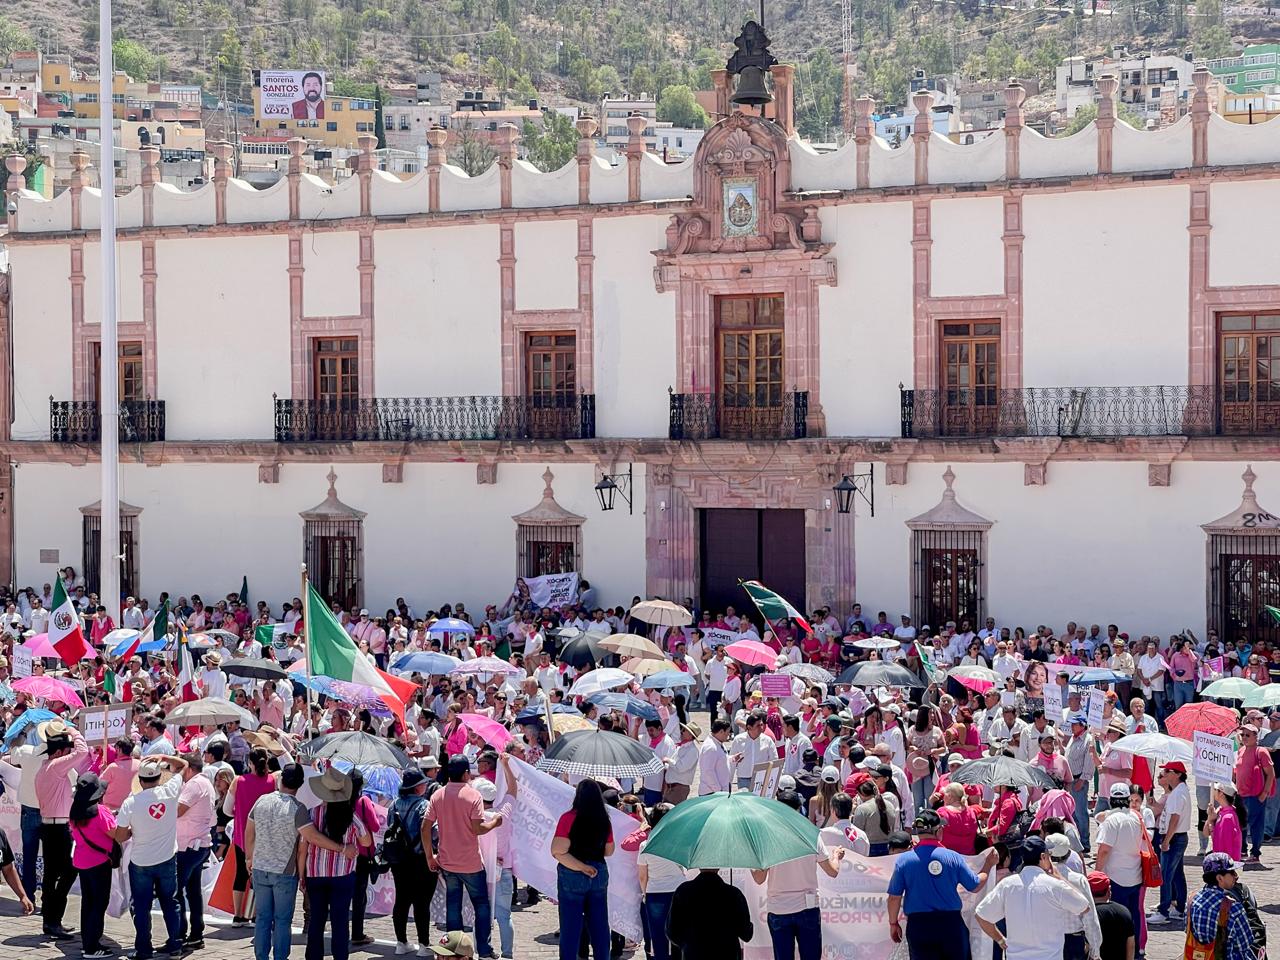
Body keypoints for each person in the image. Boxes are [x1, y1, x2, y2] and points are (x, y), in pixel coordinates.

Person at [246, 763, 356, 960]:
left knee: (262, 918)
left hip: (260, 867)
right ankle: (280, 957)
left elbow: (249, 830)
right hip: (284, 872)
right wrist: (341, 848)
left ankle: (261, 956)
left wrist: (249, 857)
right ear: (299, 785)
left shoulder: (261, 801)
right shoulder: (298, 809)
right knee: (282, 920)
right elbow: (312, 838)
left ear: (280, 780)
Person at [750, 790, 845, 960]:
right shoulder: (811, 833)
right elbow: (832, 871)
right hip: (807, 908)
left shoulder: (767, 837)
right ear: (799, 808)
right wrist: (836, 856)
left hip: (779, 908)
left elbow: (759, 878)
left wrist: (751, 859)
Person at [886, 810, 993, 960]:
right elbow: (974, 885)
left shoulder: (904, 861)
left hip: (919, 926)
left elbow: (894, 898)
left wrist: (893, 923)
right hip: (950, 925)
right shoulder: (952, 857)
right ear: (939, 831)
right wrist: (988, 865)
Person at [425, 756, 503, 959]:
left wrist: (429, 857)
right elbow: (478, 828)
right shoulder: (473, 795)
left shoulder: (438, 795)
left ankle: (452, 950)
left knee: (453, 906)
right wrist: (495, 822)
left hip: (447, 862)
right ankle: (484, 949)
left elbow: (425, 828)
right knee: (481, 905)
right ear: (466, 773)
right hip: (471, 863)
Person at [114, 755, 189, 960]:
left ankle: (144, 949)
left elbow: (120, 836)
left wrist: (132, 831)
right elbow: (185, 765)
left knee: (141, 906)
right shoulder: (170, 791)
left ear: (139, 781)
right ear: (159, 777)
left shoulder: (130, 803)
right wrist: (164, 757)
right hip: (166, 858)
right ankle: (175, 945)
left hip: (141, 861)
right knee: (170, 902)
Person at [974, 836, 1092, 960]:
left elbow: (981, 916)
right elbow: (1084, 906)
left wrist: (1001, 940)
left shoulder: (1007, 885)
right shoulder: (1054, 886)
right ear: (1043, 857)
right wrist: (1059, 877)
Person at [302, 767, 371, 960]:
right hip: (342, 875)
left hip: (315, 873)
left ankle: (314, 957)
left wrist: (301, 873)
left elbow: (303, 844)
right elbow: (366, 841)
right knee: (340, 922)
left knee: (317, 919)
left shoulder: (312, 813)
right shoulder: (351, 816)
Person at [35, 718, 91, 941]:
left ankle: (51, 920)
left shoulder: (44, 769)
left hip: (50, 826)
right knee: (69, 871)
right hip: (59, 828)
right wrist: (72, 730)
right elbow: (82, 750)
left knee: (51, 875)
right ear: (59, 752)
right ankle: (53, 918)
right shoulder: (56, 767)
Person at [552, 779, 613, 960]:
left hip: (572, 875)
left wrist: (581, 867)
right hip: (598, 873)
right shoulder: (604, 819)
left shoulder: (568, 818)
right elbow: (609, 851)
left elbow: (557, 850)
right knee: (600, 926)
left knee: (570, 928)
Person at [386, 768, 435, 954]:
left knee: (401, 900)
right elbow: (433, 832)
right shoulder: (424, 805)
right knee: (422, 902)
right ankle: (423, 945)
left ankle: (401, 943)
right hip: (420, 859)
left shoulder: (394, 805)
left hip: (398, 860)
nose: (425, 785)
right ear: (417, 787)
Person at [227, 747, 276, 925]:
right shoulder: (273, 781)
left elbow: (226, 809)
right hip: (265, 835)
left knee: (240, 874)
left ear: (249, 763)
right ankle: (256, 914)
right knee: (260, 876)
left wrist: (238, 812)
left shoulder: (238, 781)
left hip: (242, 835)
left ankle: (238, 915)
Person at [1095, 783, 1146, 949]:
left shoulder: (1111, 821)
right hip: (1136, 875)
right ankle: (1136, 950)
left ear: (1111, 800)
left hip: (1117, 878)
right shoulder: (1136, 817)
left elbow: (1103, 851)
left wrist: (1097, 873)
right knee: (1134, 916)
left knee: (1118, 918)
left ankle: (1120, 951)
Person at [175, 753, 217, 950]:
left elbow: (178, 810)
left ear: (188, 768)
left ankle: (179, 934)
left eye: (179, 769)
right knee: (192, 891)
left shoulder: (194, 784)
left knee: (175, 892)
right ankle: (195, 934)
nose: (177, 773)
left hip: (189, 845)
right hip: (197, 844)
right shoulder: (203, 782)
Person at [69, 773, 113, 959]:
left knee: (88, 903)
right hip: (100, 863)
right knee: (99, 904)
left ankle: (89, 942)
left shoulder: (75, 810)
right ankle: (92, 947)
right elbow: (114, 833)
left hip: (82, 861)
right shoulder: (101, 811)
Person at [667, 866, 753, 960]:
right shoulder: (734, 893)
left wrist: (687, 944)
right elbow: (746, 934)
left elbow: (672, 931)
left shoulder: (683, 891)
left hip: (693, 954)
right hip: (727, 954)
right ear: (719, 867)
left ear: (699, 866)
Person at [637, 803, 685, 960]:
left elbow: (643, 875)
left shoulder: (645, 845)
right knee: (678, 933)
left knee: (658, 936)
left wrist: (645, 893)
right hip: (678, 891)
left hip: (655, 892)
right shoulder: (678, 841)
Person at [1185, 853, 1254, 960]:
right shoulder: (1233, 907)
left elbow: (1187, 929)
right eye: (1232, 872)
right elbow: (1245, 943)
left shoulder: (1191, 899)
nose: (1236, 876)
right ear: (1219, 878)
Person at [1149, 760, 1191, 924]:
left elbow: (1174, 819)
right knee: (1177, 874)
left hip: (1174, 837)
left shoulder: (1178, 794)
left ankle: (1163, 911)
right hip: (1177, 837)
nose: (1164, 774)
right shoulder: (1179, 791)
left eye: (1168, 771)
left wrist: (1166, 841)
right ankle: (1180, 907)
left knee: (1166, 875)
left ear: (1178, 774)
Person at [1232, 722, 1275, 864]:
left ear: (1256, 736)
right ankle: (1243, 849)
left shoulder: (1261, 751)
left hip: (1255, 795)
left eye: (1247, 735)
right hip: (1240, 794)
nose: (1244, 737)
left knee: (1255, 825)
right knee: (1241, 824)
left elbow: (1270, 774)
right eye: (1242, 734)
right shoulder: (1240, 750)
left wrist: (1265, 793)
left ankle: (1255, 853)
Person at [1086, 872, 1136, 960]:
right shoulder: (1124, 911)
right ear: (1109, 890)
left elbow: (1086, 947)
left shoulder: (1087, 915)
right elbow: (1131, 945)